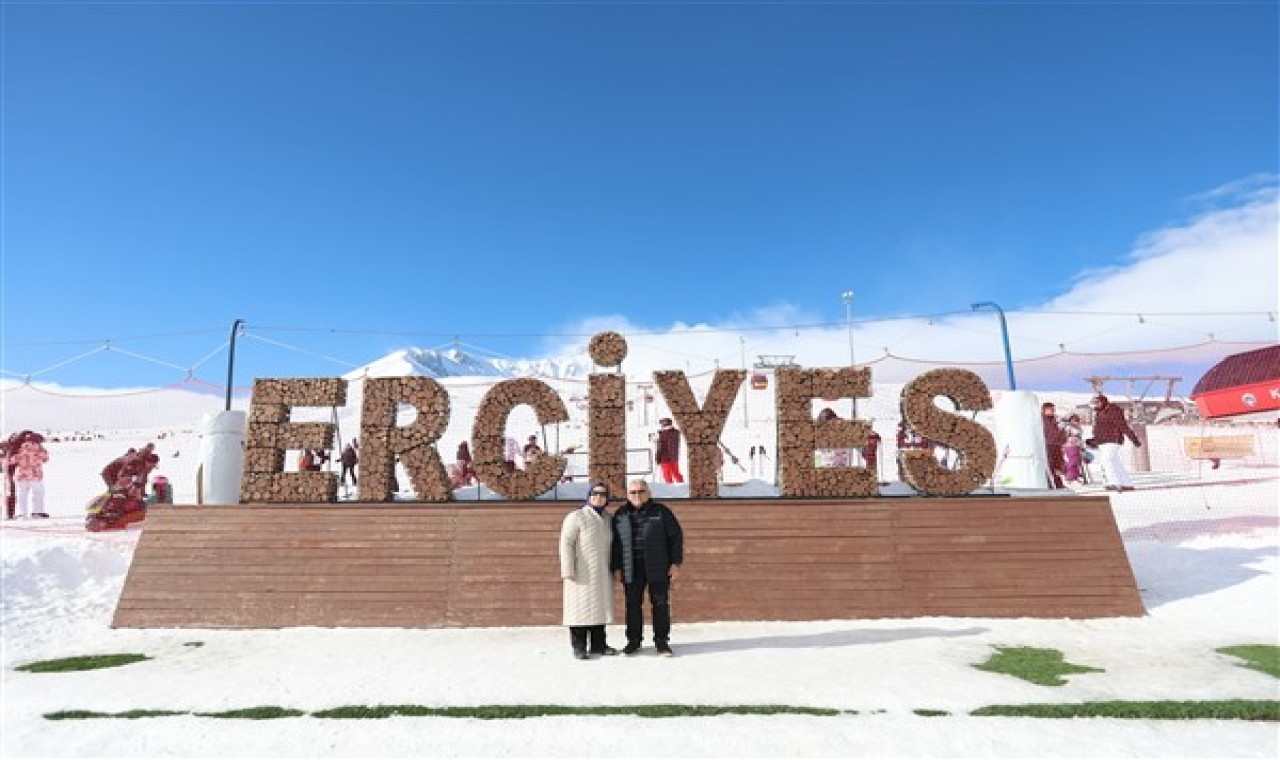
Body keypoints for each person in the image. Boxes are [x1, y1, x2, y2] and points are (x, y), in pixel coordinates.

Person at [612, 479, 683, 657]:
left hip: (658, 566)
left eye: (641, 491)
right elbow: (615, 544)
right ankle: (633, 642)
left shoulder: (661, 512)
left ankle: (661, 641)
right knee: (633, 605)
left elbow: (676, 537)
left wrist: (675, 563)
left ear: (649, 493)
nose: (637, 495)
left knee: (660, 604)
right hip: (631, 568)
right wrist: (617, 567)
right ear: (627, 495)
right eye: (633, 492)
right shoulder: (620, 514)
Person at [559, 482, 619, 660]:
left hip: (602, 571)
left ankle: (599, 645)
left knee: (600, 609)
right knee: (579, 609)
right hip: (580, 571)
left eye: (602, 495)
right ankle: (579, 647)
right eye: (595, 494)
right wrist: (568, 569)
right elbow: (566, 543)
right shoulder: (576, 516)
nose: (598, 497)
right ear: (588, 496)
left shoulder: (609, 519)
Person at [1086, 394, 1141, 492]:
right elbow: (1100, 429)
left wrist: (1134, 439)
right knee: (1114, 462)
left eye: (1097, 403)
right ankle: (1126, 483)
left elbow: (1123, 426)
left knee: (1107, 461)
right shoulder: (1099, 413)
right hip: (1103, 441)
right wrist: (1094, 440)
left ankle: (1115, 483)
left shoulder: (1113, 411)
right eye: (1094, 403)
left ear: (1103, 402)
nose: (1095, 405)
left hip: (1112, 440)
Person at [13, 434, 50, 519]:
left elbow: (13, 460)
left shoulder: (20, 448)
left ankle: (21, 513)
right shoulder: (40, 449)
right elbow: (46, 459)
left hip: (21, 474)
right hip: (35, 474)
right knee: (38, 493)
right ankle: (37, 512)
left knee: (21, 494)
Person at [1041, 402, 1067, 489]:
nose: (1053, 410)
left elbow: (1062, 436)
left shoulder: (1055, 420)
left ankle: (1058, 484)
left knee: (1058, 466)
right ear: (1044, 410)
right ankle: (1051, 485)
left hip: (1056, 445)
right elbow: (1050, 434)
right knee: (1050, 466)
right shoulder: (1041, 420)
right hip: (1047, 445)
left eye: (1053, 409)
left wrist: (1062, 430)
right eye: (1050, 409)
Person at [654, 418, 684, 484]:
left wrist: (658, 457)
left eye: (662, 424)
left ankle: (670, 487)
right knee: (675, 472)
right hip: (673, 457)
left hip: (664, 457)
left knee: (667, 474)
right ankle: (681, 485)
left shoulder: (663, 434)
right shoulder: (675, 433)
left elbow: (661, 446)